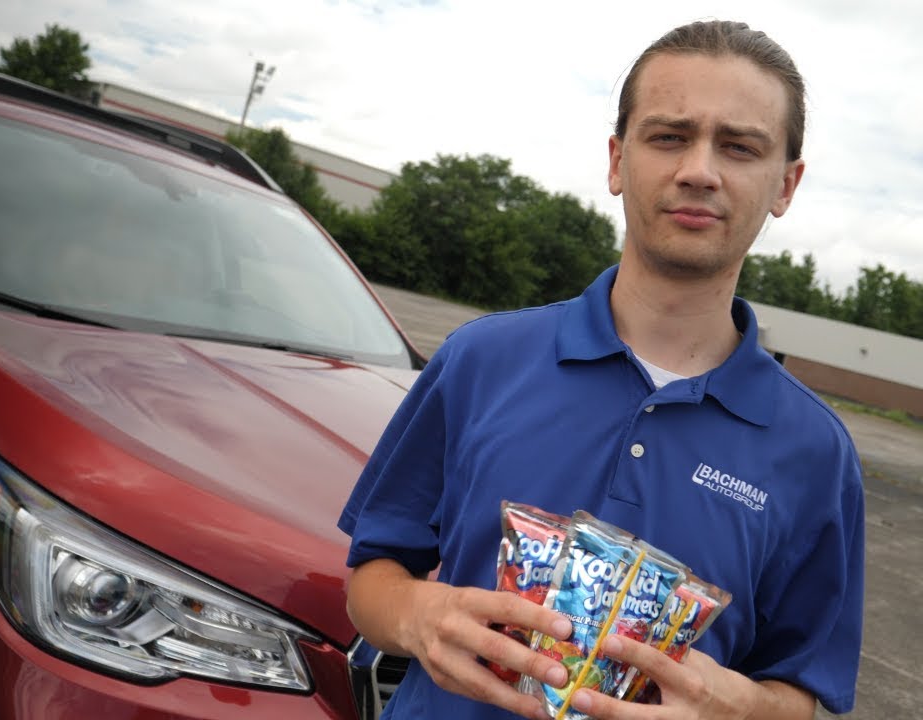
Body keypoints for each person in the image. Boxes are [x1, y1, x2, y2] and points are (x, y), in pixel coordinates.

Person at [339, 19, 864, 719]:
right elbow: (371, 578)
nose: (699, 171)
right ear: (618, 161)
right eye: (669, 136)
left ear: (785, 185)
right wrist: (416, 617)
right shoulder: (481, 360)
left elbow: (801, 691)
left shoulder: (816, 452)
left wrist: (737, 710)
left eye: (739, 147)